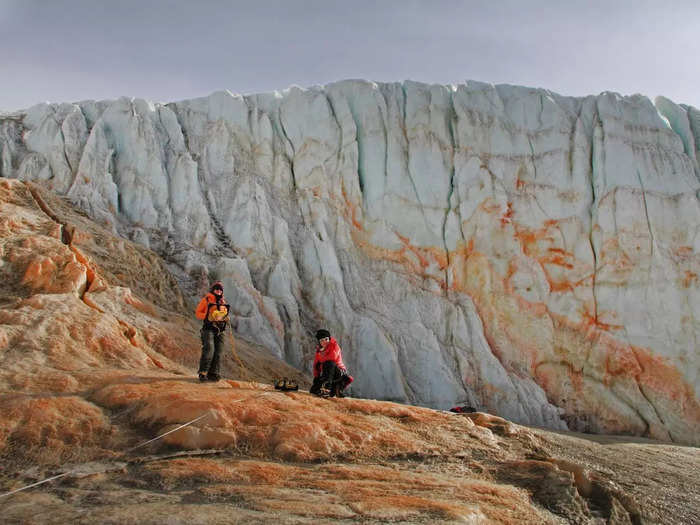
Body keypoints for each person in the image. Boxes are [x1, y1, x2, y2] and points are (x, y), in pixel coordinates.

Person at [195, 281, 231, 382]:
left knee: (219, 351)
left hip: (220, 330)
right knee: (209, 349)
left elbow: (224, 313)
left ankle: (214, 373)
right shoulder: (206, 300)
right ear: (213, 290)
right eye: (217, 289)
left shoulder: (222, 302)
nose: (218, 291)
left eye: (220, 290)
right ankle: (203, 372)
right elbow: (198, 313)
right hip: (208, 329)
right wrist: (207, 316)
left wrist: (225, 318)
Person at [310, 329, 353, 397]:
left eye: (326, 339)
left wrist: (321, 357)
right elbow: (316, 365)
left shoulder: (334, 345)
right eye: (322, 340)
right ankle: (335, 389)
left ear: (329, 339)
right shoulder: (319, 351)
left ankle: (327, 388)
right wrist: (316, 378)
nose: (324, 342)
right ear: (319, 342)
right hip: (328, 375)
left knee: (329, 363)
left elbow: (332, 358)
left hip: (339, 373)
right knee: (314, 390)